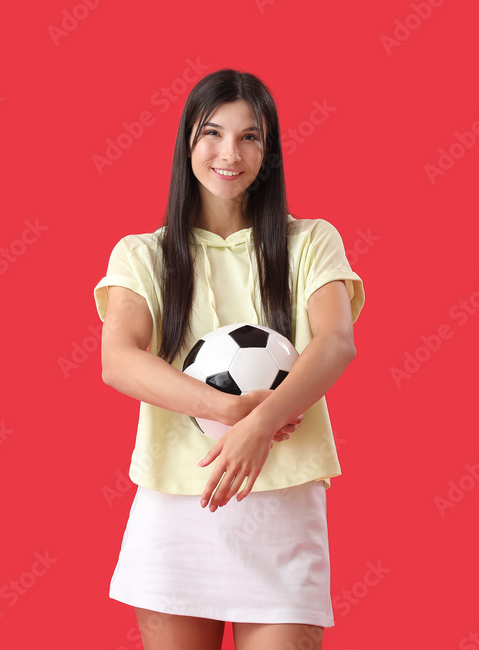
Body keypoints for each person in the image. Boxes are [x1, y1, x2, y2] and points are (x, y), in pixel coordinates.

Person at [93, 68, 364, 650]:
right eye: (212, 133)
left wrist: (262, 425)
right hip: (176, 507)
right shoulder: (145, 254)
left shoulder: (310, 241)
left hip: (283, 508)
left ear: (268, 153)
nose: (228, 153)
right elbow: (117, 358)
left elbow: (336, 341)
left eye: (250, 137)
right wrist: (227, 408)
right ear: (187, 142)